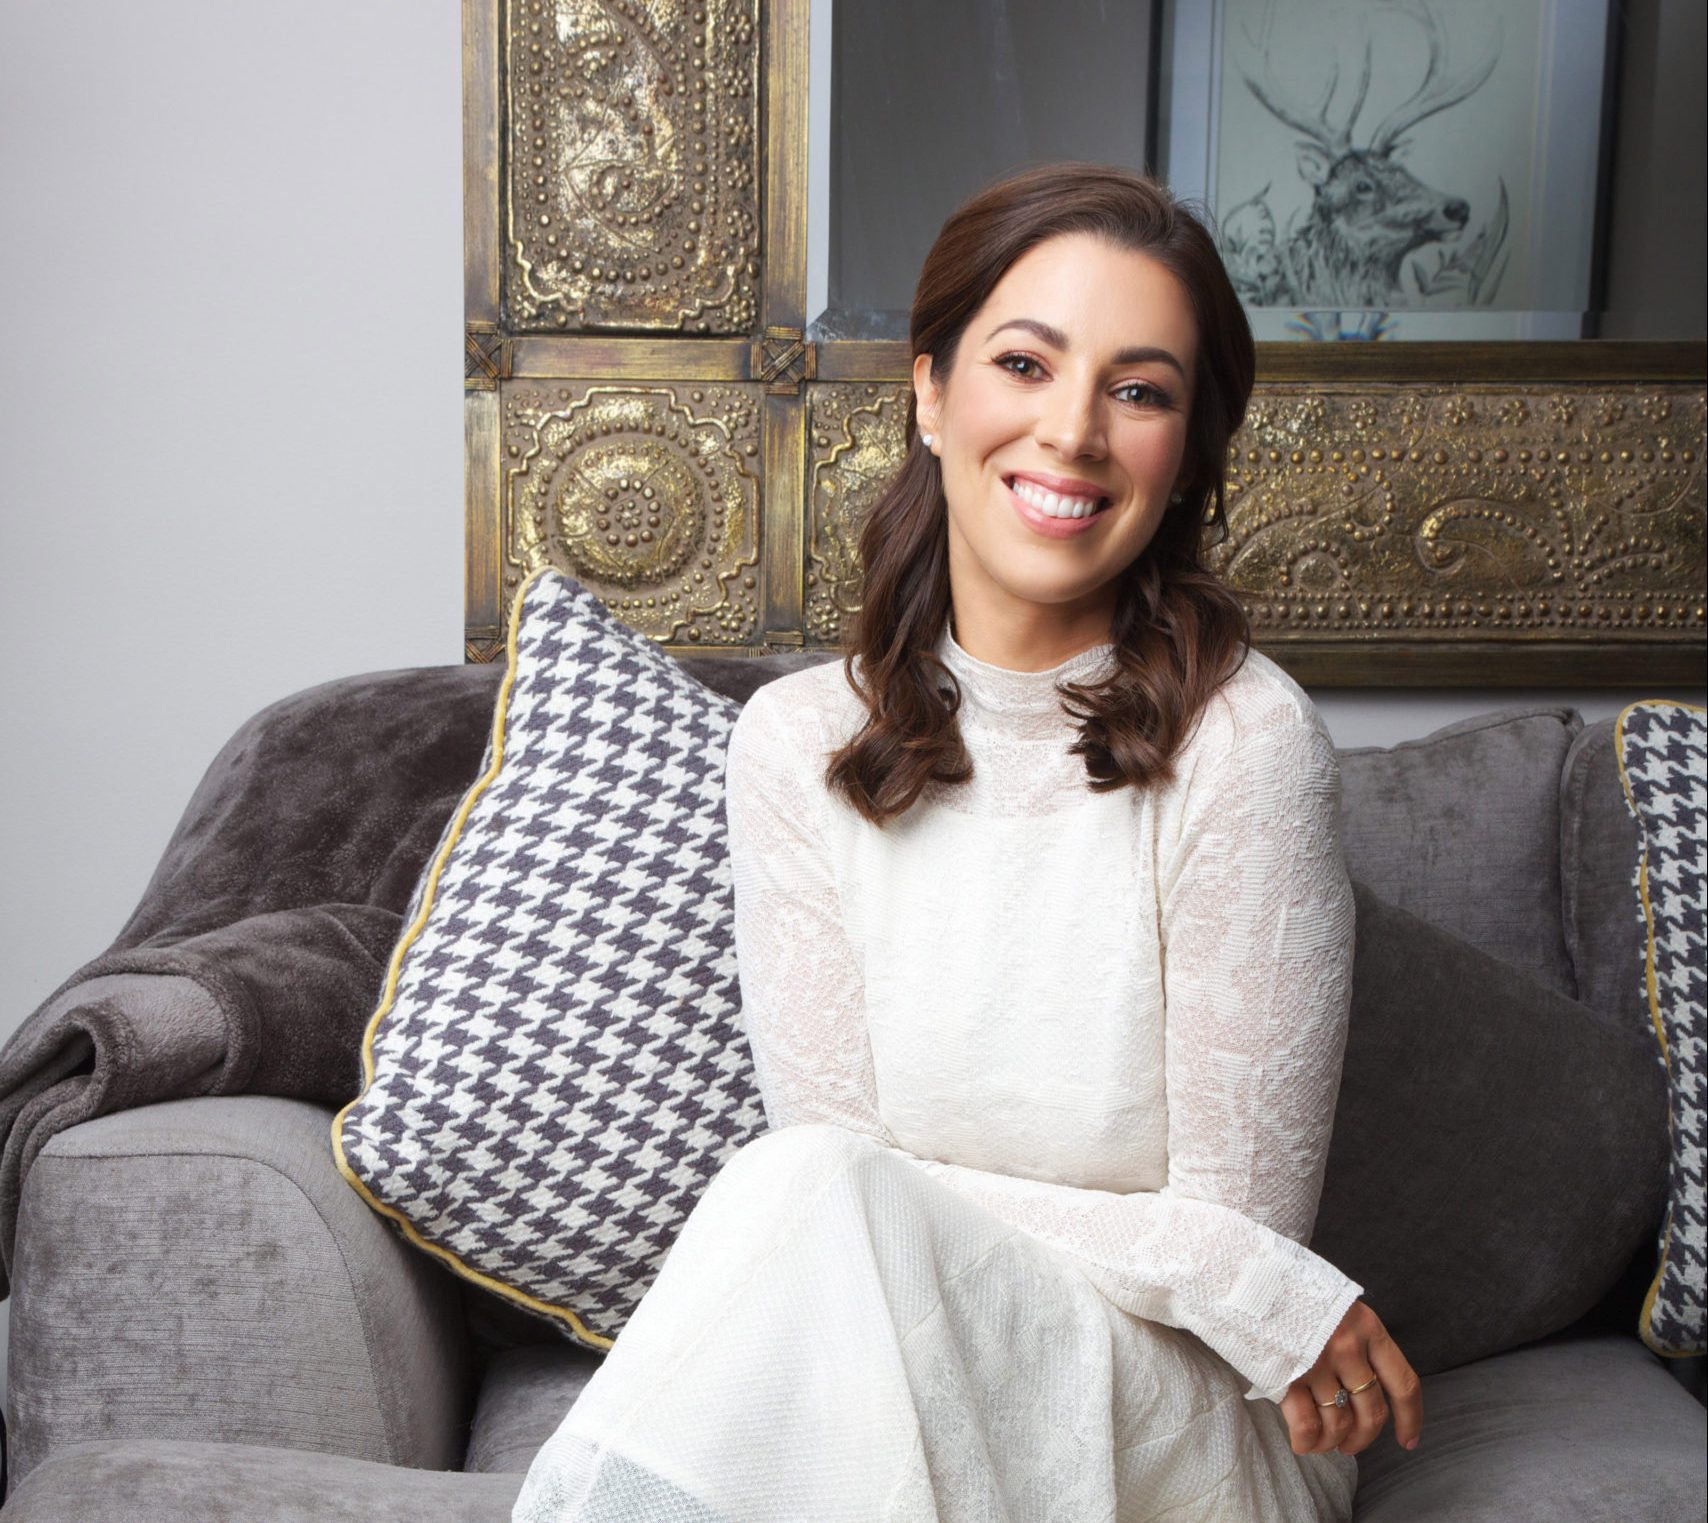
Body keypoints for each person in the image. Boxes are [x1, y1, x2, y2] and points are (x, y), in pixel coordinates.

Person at [512, 161, 1423, 1523]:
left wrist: (1228, 1273)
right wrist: (1222, 1270)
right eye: (1025, 364)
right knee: (808, 1195)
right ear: (932, 393)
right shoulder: (794, 745)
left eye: (1139, 391)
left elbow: (1243, 1252)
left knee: (809, 1207)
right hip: (893, 1358)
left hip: (1185, 1417)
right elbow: (846, 1199)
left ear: (1186, 457)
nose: (1074, 432)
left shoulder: (1248, 741)